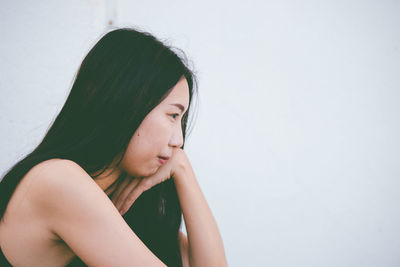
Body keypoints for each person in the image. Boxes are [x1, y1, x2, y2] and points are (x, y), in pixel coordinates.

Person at [0, 27, 228, 266]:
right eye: (172, 115)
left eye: (181, 120)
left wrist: (183, 170)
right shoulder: (57, 180)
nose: (178, 141)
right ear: (127, 103)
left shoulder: (125, 201)